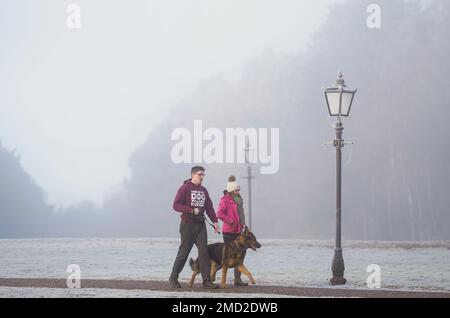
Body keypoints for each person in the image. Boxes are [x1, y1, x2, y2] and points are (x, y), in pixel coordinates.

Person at [169, 166, 220, 289]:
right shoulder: (185, 188)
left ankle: (206, 281)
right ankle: (173, 278)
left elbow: (209, 207)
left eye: (203, 175)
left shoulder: (204, 190)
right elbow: (175, 205)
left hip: (201, 225)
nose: (202, 177)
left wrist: (215, 222)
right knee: (184, 253)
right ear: (193, 175)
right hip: (188, 225)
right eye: (200, 174)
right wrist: (191, 210)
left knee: (204, 253)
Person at [216, 175, 249, 287]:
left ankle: (237, 280)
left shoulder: (239, 200)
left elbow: (241, 215)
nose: (238, 191)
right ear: (231, 190)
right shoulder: (225, 200)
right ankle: (215, 275)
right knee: (226, 258)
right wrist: (231, 221)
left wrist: (242, 225)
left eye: (239, 189)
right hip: (229, 232)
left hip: (239, 231)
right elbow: (219, 214)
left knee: (240, 256)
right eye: (236, 190)